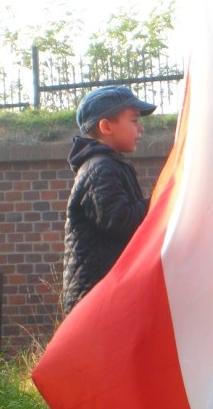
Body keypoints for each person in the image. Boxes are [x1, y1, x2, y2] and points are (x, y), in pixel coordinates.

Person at [61, 85, 156, 315]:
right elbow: (121, 221)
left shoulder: (108, 164)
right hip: (96, 300)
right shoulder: (99, 168)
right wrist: (161, 201)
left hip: (105, 293)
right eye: (133, 121)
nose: (140, 128)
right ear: (106, 126)